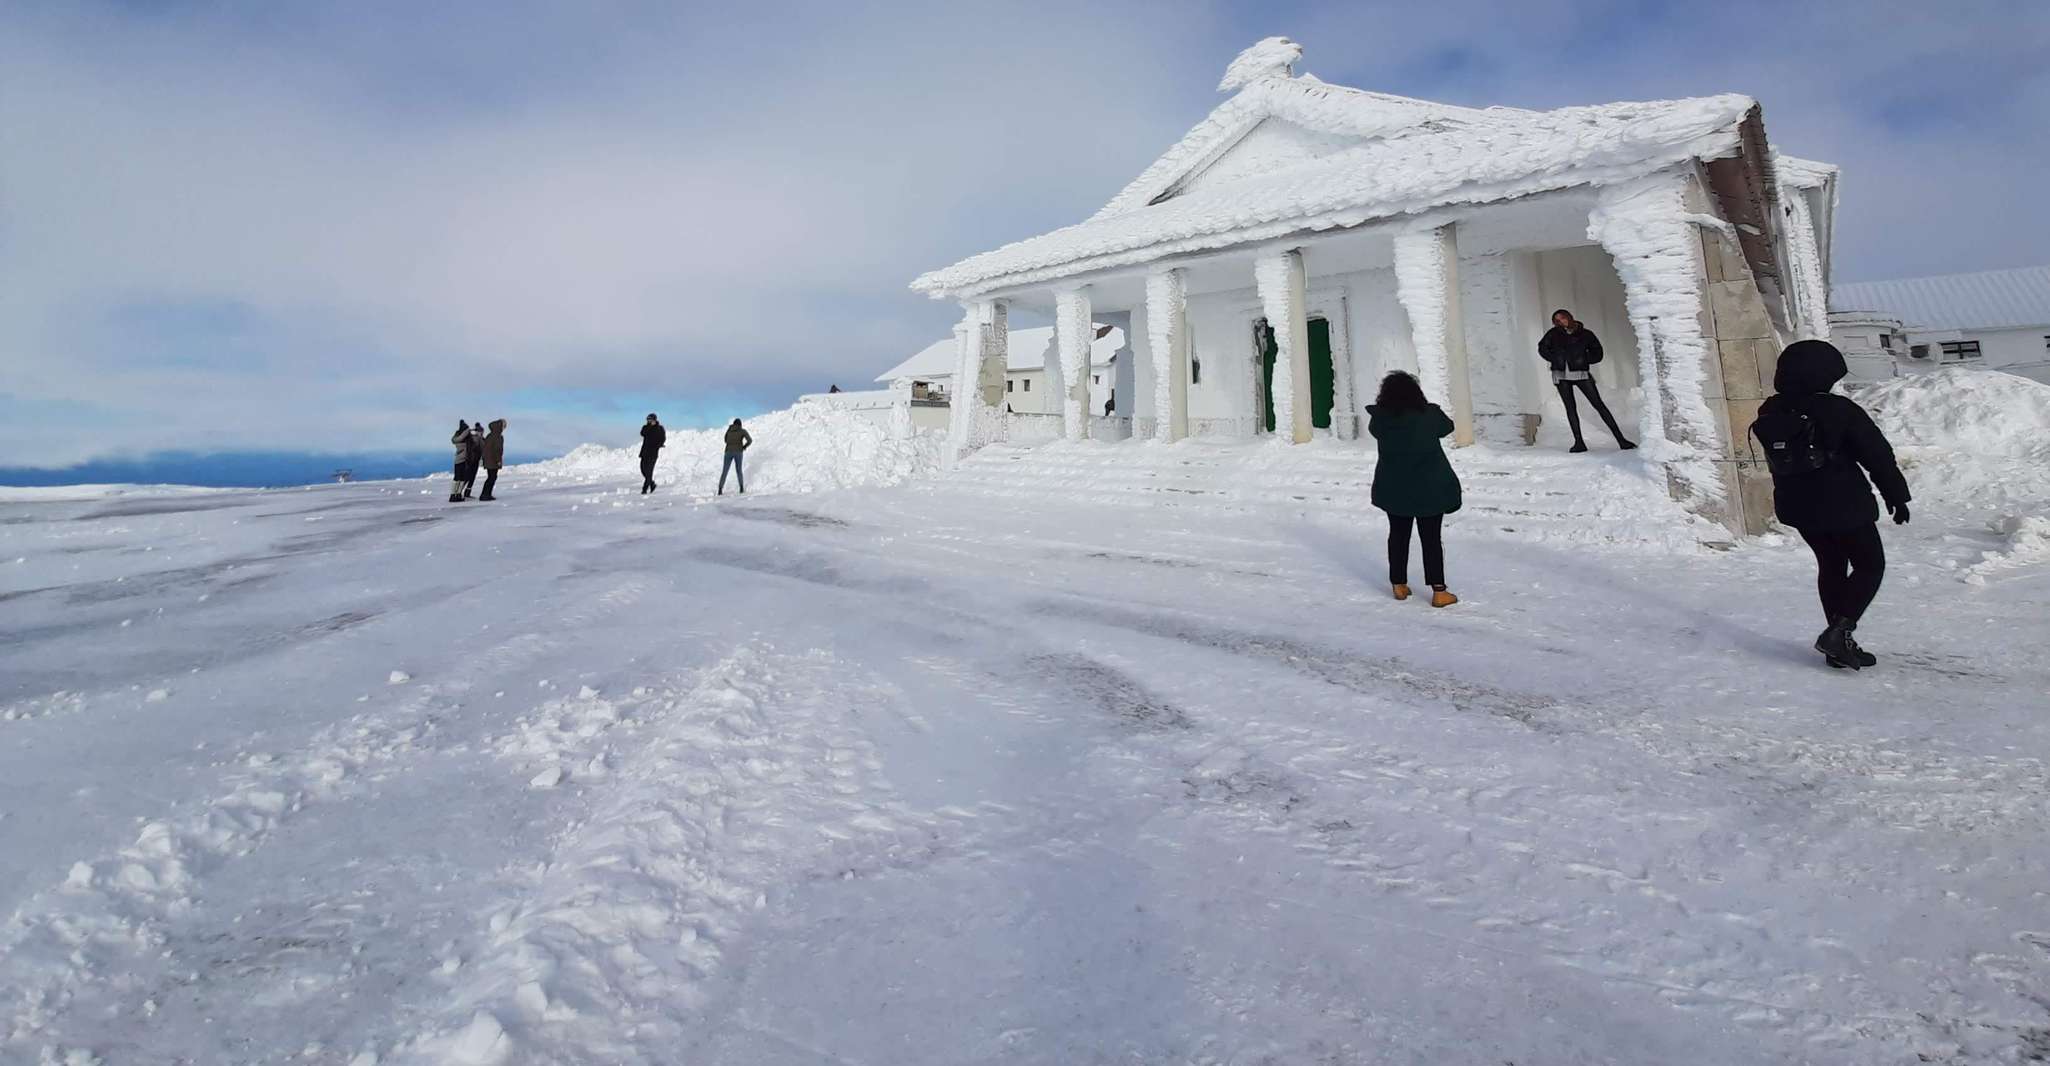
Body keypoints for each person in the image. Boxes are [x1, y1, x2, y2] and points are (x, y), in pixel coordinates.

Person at [1750, 339, 1910, 670]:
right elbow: (1877, 456)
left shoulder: (1770, 410)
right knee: (1870, 565)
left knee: (1831, 565)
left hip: (1798, 506)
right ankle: (1839, 634)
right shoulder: (1838, 409)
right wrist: (1896, 495)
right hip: (1844, 504)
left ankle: (1838, 645)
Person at [1367, 371, 1462, 608]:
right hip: (1430, 488)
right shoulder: (1429, 415)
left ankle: (1398, 584)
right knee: (1431, 539)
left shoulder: (1380, 419)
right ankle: (1439, 591)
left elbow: (1375, 431)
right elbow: (1447, 427)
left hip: (1394, 488)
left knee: (1398, 535)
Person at [1538, 309, 1636, 453]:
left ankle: (1621, 440)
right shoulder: (1553, 334)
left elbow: (1598, 352)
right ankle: (1579, 442)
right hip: (1560, 374)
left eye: (1563, 318)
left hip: (1581, 373)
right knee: (1570, 408)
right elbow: (1542, 348)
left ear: (1570, 317)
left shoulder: (1585, 334)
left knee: (1599, 405)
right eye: (1557, 320)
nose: (1560, 322)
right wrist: (1555, 358)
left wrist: (1584, 360)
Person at [719, 418, 752, 495]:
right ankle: (741, 488)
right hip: (738, 452)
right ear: (740, 424)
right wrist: (744, 446)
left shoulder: (729, 430)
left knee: (725, 470)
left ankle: (720, 489)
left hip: (728, 452)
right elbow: (750, 440)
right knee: (739, 470)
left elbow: (725, 440)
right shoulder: (742, 431)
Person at [477, 419, 507, 501]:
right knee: (492, 478)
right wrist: (498, 460)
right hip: (493, 461)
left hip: (488, 460)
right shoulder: (498, 437)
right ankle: (485, 495)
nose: (504, 428)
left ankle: (486, 494)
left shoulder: (490, 435)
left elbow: (485, 448)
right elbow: (497, 450)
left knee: (490, 477)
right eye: (504, 426)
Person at [448, 420, 474, 502]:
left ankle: (455, 494)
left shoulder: (458, 438)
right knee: (460, 478)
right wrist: (468, 430)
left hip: (459, 460)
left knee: (459, 478)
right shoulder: (464, 439)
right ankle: (456, 494)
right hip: (463, 459)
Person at [639, 413, 665, 494]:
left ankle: (644, 489)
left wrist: (659, 445)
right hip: (644, 453)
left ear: (655, 420)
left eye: (650, 419)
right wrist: (650, 426)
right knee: (643, 470)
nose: (649, 421)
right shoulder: (645, 427)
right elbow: (642, 433)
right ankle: (652, 484)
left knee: (649, 471)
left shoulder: (660, 428)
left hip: (653, 454)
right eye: (648, 420)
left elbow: (662, 438)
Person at [462, 420, 485, 498]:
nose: (481, 433)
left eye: (482, 431)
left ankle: (466, 492)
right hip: (471, 460)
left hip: (474, 460)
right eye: (480, 431)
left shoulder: (480, 439)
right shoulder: (474, 439)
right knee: (468, 477)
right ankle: (461, 492)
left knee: (471, 477)